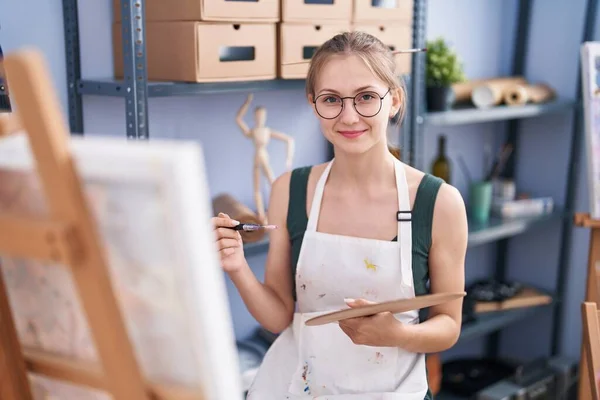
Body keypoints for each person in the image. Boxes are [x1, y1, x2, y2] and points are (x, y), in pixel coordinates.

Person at [212, 31, 468, 399]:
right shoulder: (290, 190)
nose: (349, 117)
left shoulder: (439, 202)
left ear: (394, 100)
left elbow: (449, 325)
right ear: (313, 103)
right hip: (299, 387)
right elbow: (279, 316)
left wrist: (397, 334)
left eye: (366, 97)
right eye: (331, 99)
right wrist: (237, 267)